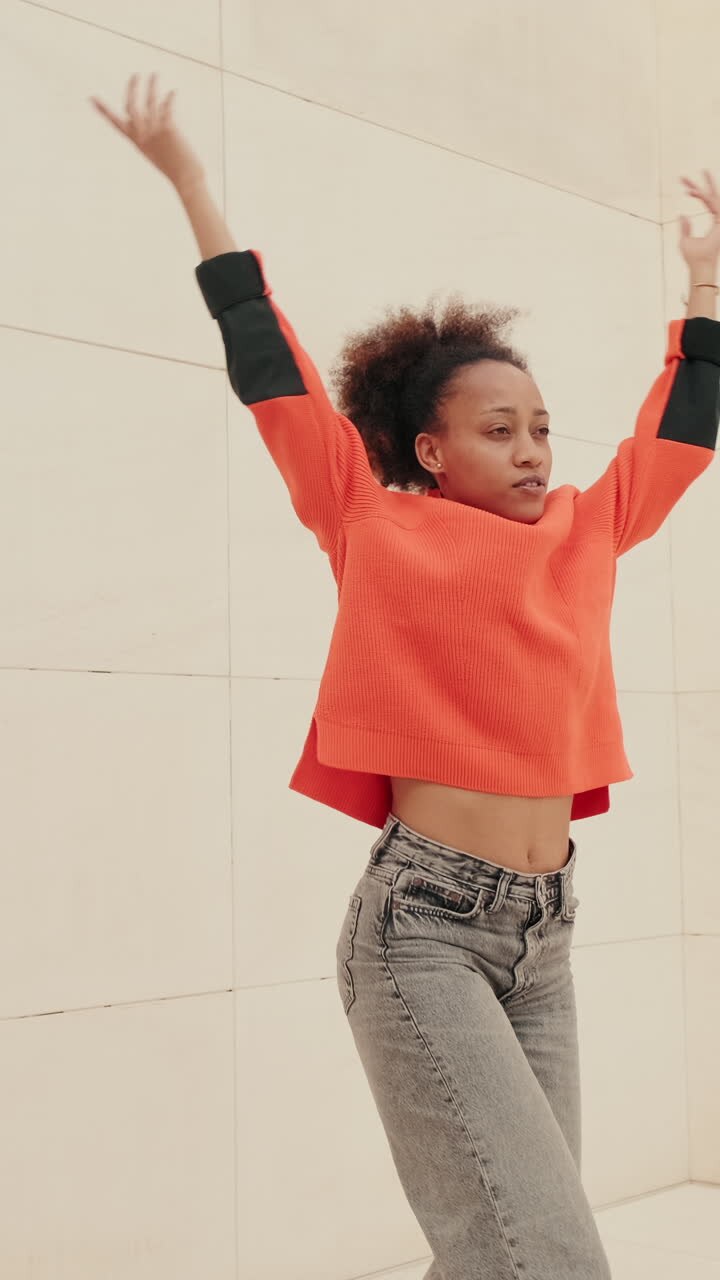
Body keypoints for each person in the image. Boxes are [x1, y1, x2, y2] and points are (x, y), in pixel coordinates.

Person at [90, 74, 720, 1279]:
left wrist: (704, 282)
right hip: (422, 929)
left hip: (547, 936)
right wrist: (188, 181)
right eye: (498, 429)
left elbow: (682, 436)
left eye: (540, 424)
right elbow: (271, 372)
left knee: (500, 1250)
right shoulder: (371, 521)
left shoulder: (587, 526)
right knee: (546, 1252)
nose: (533, 448)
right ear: (429, 447)